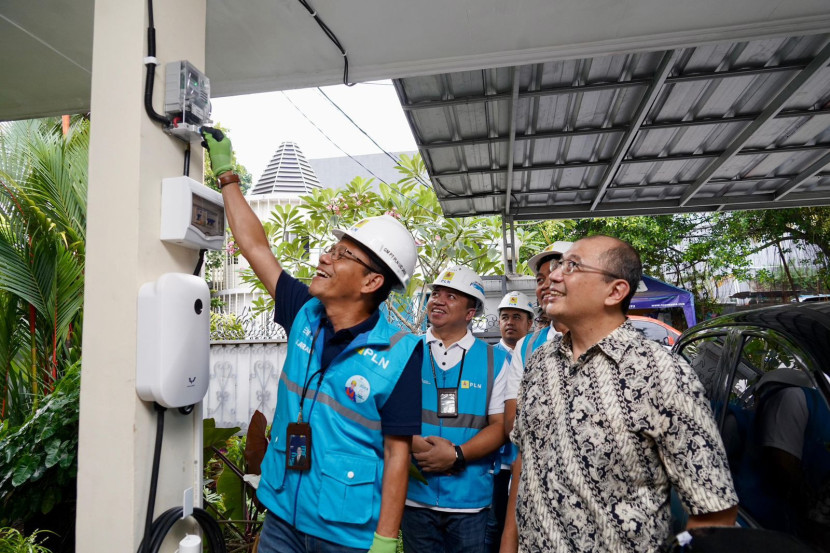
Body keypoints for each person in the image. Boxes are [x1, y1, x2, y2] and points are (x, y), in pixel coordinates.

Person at [202, 129, 423, 553]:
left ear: (372, 281)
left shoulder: (401, 355)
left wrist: (385, 540)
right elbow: (255, 247)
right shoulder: (304, 313)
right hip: (283, 515)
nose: (325, 257)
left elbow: (398, 457)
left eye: (343, 255)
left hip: (347, 534)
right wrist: (228, 176)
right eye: (332, 249)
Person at [502, 235, 738, 553]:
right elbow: (526, 467)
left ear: (615, 291)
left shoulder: (663, 373)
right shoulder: (539, 363)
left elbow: (715, 512)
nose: (554, 276)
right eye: (557, 266)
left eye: (571, 266)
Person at [402, 266, 508, 553]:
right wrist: (416, 446)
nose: (437, 300)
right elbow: (384, 413)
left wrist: (456, 455)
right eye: (435, 294)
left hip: (470, 502)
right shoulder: (406, 352)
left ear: (470, 312)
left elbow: (501, 426)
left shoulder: (495, 362)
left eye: (451, 297)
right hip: (415, 497)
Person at [502, 241, 572, 453]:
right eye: (541, 280)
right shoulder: (527, 346)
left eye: (559, 276)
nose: (547, 285)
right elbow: (512, 424)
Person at [484, 291, 535, 552]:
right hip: (495, 463)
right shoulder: (487, 358)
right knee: (493, 527)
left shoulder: (537, 355)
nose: (510, 322)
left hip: (528, 461)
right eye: (505, 317)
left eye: (517, 316)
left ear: (530, 323)